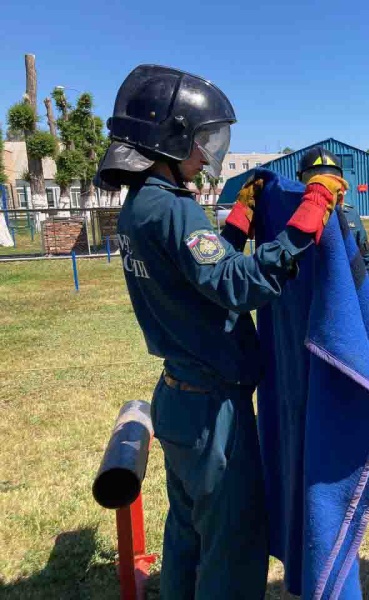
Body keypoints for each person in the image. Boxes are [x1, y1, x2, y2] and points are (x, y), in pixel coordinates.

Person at [94, 64, 347, 599]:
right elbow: (237, 285)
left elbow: (201, 273)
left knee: (191, 535)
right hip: (213, 412)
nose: (208, 154)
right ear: (170, 136)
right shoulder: (170, 208)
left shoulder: (143, 206)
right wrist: (311, 210)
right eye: (203, 139)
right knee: (232, 545)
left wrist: (239, 218)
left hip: (182, 399)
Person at [297, 146, 369, 296]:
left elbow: (366, 258)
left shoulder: (350, 214)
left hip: (345, 296)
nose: (324, 186)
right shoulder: (294, 216)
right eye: (314, 179)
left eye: (330, 179)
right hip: (307, 296)